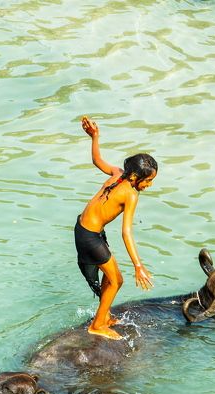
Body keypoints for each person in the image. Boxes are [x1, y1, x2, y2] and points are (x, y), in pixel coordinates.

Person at [74, 116, 157, 339]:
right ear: (137, 176)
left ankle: (104, 315)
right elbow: (126, 231)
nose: (149, 185)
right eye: (148, 181)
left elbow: (96, 159)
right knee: (117, 279)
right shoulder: (130, 194)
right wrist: (138, 265)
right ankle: (97, 325)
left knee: (109, 276)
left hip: (85, 229)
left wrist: (94, 137)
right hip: (89, 236)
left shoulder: (118, 174)